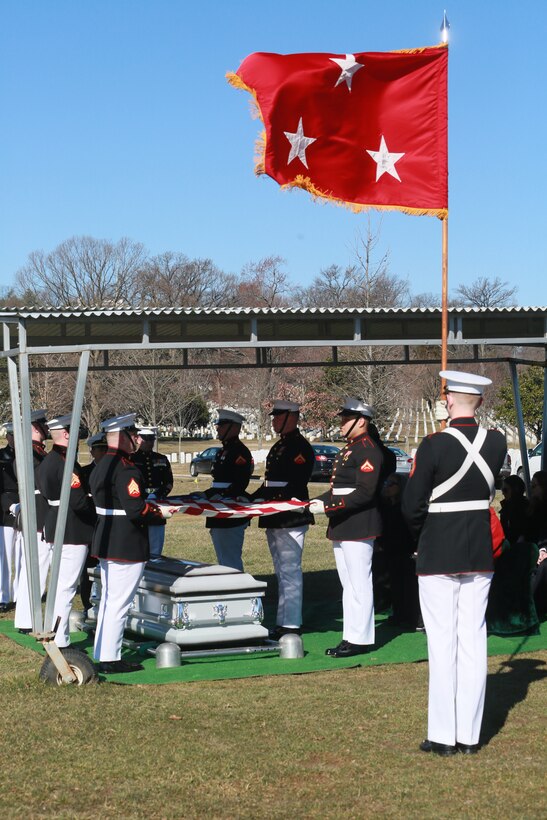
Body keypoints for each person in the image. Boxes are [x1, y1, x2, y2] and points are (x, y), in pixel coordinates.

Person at [402, 370, 507, 756]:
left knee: (443, 641)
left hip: (438, 551)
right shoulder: (496, 443)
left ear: (449, 401)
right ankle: (469, 736)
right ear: (477, 401)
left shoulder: (433, 444)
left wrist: (420, 537)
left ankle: (444, 735)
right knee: (473, 640)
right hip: (478, 550)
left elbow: (412, 505)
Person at [89, 413, 169, 673]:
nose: (136, 438)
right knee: (119, 603)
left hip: (107, 539)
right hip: (125, 543)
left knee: (110, 601)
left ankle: (104, 652)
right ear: (122, 436)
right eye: (132, 434)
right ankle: (111, 659)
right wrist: (159, 513)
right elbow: (135, 509)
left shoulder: (101, 464)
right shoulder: (125, 468)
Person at [309, 398, 384, 657]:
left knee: (359, 583)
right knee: (348, 584)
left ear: (360, 421)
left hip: (358, 524)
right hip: (343, 523)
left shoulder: (368, 450)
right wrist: (317, 502)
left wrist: (328, 507)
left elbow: (365, 493)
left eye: (345, 419)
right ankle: (350, 636)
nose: (340, 424)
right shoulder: (350, 449)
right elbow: (339, 488)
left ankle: (360, 638)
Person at [253, 400, 315, 639]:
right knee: (281, 570)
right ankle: (283, 622)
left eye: (278, 416)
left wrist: (270, 499)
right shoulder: (280, 446)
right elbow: (270, 481)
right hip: (275, 514)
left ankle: (291, 623)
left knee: (290, 569)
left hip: (290, 516)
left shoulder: (300, 447)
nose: (274, 420)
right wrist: (253, 498)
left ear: (292, 417)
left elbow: (295, 483)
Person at [36, 414, 96, 648]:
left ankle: (53, 632)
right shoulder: (65, 462)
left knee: (59, 584)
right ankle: (60, 638)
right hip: (72, 528)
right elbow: (78, 501)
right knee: (67, 586)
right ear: (67, 434)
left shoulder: (48, 460)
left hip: (55, 523)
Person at [14, 409, 54, 634]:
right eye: (42, 425)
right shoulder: (29, 452)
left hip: (39, 515)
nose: (47, 429)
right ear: (34, 427)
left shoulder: (37, 451)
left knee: (36, 570)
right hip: (37, 516)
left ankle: (26, 619)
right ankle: (27, 620)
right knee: (35, 570)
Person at [205, 409, 253, 571]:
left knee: (230, 561)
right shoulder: (223, 451)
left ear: (233, 427)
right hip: (219, 508)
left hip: (230, 509)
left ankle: (237, 593)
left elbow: (240, 483)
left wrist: (222, 496)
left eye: (221, 425)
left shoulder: (239, 452)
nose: (217, 429)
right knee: (224, 558)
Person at [379, 473, 421, 630]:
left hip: (406, 551)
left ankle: (413, 617)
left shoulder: (406, 508)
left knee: (409, 585)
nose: (387, 487)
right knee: (395, 584)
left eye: (392, 484)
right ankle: (399, 614)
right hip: (391, 550)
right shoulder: (385, 507)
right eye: (387, 484)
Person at [130, 426, 173, 558]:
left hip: (157, 504)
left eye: (152, 439)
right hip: (139, 503)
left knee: (155, 546)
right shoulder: (131, 459)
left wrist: (159, 495)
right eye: (146, 439)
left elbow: (169, 482)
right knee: (137, 544)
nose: (149, 442)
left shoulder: (161, 459)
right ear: (138, 439)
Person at [78, 432, 108, 618]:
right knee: (88, 568)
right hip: (90, 525)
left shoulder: (113, 470)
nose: (103, 452)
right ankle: (87, 603)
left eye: (106, 448)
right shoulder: (85, 472)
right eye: (100, 449)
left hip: (109, 527)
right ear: (92, 451)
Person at [0, 423, 20, 612]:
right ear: (8, 437)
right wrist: (9, 506)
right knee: (5, 557)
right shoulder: (1, 456)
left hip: (26, 508)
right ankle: (3, 596)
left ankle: (19, 594)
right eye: (12, 435)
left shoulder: (28, 455)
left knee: (22, 556)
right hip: (5, 512)